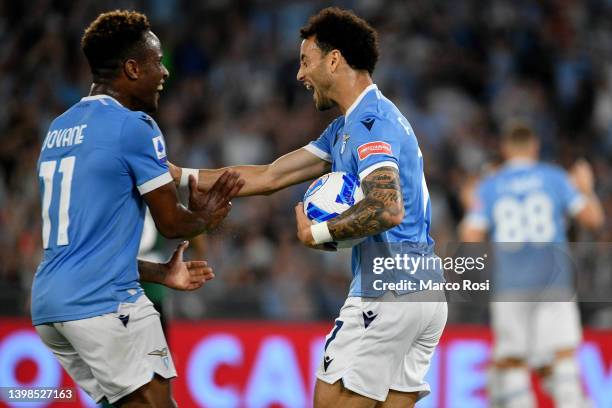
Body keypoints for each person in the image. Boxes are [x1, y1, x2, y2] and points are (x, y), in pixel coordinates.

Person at [171, 7, 446, 408]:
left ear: (333, 59)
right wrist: (180, 175)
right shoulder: (346, 128)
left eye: (305, 61)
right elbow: (269, 176)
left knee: (329, 400)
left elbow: (387, 208)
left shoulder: (371, 122)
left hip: (387, 295)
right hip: (424, 293)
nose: (299, 75)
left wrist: (318, 232)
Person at [32, 10, 243, 408]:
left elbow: (84, 248)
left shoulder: (58, 128)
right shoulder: (135, 126)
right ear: (131, 68)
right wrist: (207, 217)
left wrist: (161, 272)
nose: (164, 72)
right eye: (156, 62)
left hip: (50, 304)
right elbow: (170, 223)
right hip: (105, 303)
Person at [459, 123, 604, 408]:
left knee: (513, 361)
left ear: (505, 149)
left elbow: (470, 236)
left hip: (510, 284)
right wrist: (587, 190)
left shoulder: (491, 185)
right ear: (534, 146)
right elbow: (593, 220)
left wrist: (470, 203)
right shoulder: (554, 178)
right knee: (561, 356)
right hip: (554, 280)